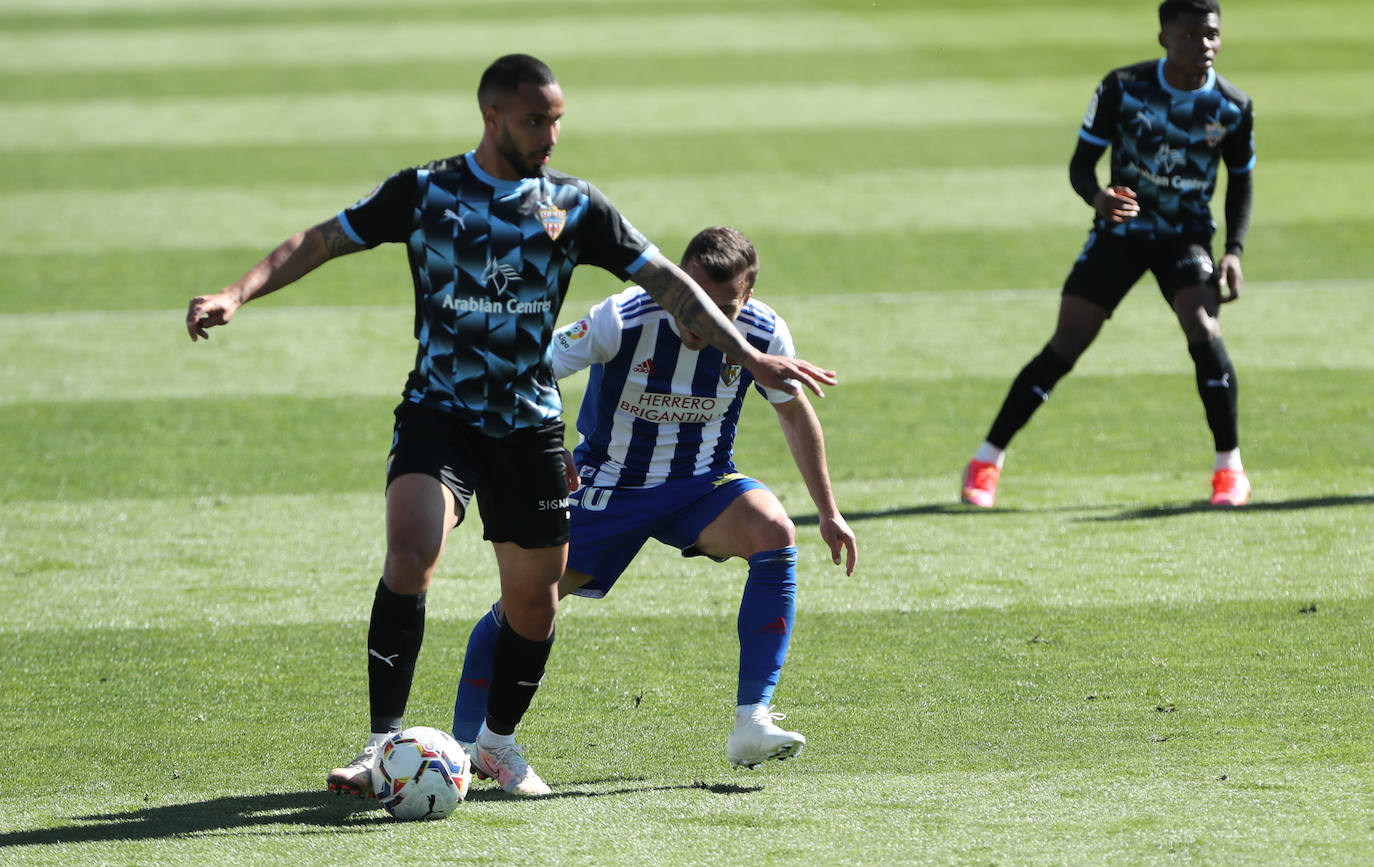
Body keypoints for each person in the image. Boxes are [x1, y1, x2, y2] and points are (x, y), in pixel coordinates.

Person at [184, 54, 835, 798]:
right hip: (441, 412)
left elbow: (669, 285)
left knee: (534, 600)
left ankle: (494, 743)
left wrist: (749, 351)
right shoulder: (427, 192)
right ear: (492, 117)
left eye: (557, 118)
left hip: (528, 426)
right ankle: (379, 744)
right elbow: (323, 239)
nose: (551, 134)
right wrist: (239, 292)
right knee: (412, 549)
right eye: (536, 120)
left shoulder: (574, 206)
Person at [450, 226, 857, 773]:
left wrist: (828, 511)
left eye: (724, 307)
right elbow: (529, 369)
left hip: (701, 484)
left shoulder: (765, 331)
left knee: (775, 531)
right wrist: (547, 445)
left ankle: (752, 721)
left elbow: (792, 408)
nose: (700, 320)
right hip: (607, 486)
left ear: (749, 299)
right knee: (527, 603)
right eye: (691, 298)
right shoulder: (623, 317)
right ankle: (464, 744)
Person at [960, 0, 1255, 509]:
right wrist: (1098, 198)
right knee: (1068, 342)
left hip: (1185, 238)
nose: (1203, 46)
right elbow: (1081, 165)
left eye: (1211, 35)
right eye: (1190, 36)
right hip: (1122, 231)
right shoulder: (1124, 87)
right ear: (1164, 37)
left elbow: (1240, 182)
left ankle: (1229, 469)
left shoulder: (1232, 106)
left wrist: (1233, 250)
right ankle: (986, 461)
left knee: (1204, 329)